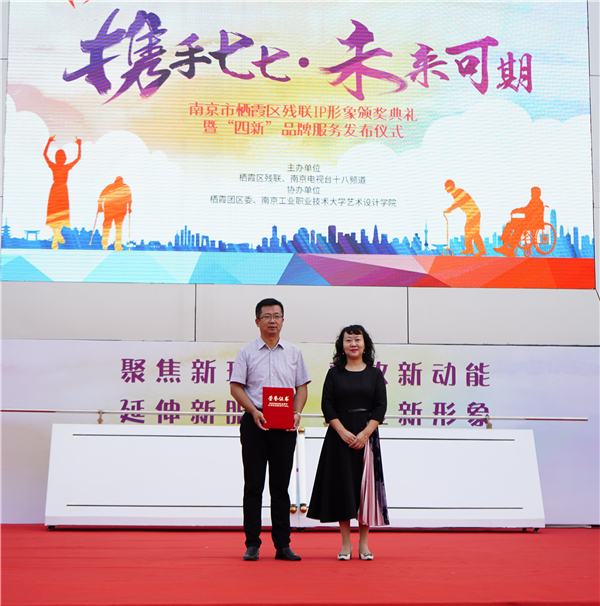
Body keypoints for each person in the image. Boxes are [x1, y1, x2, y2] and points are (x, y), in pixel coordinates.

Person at [230, 298, 310, 562]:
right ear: (257, 322)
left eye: (277, 316)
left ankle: (282, 545)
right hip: (255, 423)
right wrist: (253, 411)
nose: (272, 321)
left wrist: (297, 412)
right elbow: (235, 387)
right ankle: (252, 544)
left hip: (284, 426)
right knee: (253, 486)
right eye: (267, 316)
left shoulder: (294, 353)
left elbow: (301, 387)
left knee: (280, 487)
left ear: (283, 321)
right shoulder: (246, 352)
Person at [307, 325, 388, 560]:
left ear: (365, 345)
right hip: (339, 437)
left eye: (357, 339)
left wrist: (365, 434)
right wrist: (342, 432)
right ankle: (345, 544)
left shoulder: (375, 374)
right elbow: (327, 405)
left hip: (366, 438)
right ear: (341, 346)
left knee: (365, 490)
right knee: (342, 488)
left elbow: (380, 406)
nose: (353, 344)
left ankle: (363, 544)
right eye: (348, 340)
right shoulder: (334, 374)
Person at [43, 136, 82, 249]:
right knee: (58, 212)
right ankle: (57, 235)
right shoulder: (65, 167)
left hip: (57, 190)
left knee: (56, 212)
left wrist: (48, 142)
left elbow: (45, 155)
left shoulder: (55, 166)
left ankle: (56, 236)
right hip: (61, 190)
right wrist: (79, 145)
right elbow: (78, 158)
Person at [494, 187, 545, 257]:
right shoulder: (533, 201)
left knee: (518, 228)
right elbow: (526, 209)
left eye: (533, 193)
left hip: (534, 223)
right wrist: (517, 210)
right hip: (528, 221)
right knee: (510, 224)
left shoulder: (538, 202)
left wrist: (518, 211)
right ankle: (505, 246)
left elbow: (527, 211)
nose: (531, 194)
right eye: (531, 193)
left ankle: (511, 249)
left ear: (538, 194)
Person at [443, 180, 487, 256]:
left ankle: (480, 250)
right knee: (468, 230)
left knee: (474, 232)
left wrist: (449, 209)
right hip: (471, 214)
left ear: (450, 186)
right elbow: (458, 202)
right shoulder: (456, 192)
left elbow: (458, 202)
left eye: (446, 187)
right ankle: (471, 249)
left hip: (474, 213)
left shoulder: (458, 191)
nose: (446, 189)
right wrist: (450, 209)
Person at [97, 177, 132, 251]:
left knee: (107, 227)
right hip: (119, 211)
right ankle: (116, 246)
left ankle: (104, 245)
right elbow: (129, 198)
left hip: (111, 210)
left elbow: (101, 196)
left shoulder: (109, 187)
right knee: (118, 228)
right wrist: (129, 208)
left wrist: (100, 206)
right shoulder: (125, 187)